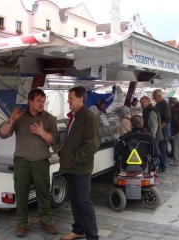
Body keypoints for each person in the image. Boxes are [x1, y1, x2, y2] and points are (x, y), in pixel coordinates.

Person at [0, 89, 59, 238]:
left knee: (44, 193)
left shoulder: (49, 118)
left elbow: (55, 139)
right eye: (38, 100)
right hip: (22, 162)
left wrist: (42, 133)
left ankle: (47, 222)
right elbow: (2, 134)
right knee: (21, 193)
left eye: (43, 101)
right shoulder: (20, 117)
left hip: (41, 162)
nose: (41, 104)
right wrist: (11, 120)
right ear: (30, 101)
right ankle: (21, 224)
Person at [59, 86, 101, 240]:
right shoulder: (74, 116)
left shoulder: (89, 117)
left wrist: (75, 158)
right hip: (70, 166)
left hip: (80, 167)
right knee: (75, 200)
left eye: (71, 98)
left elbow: (93, 144)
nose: (68, 101)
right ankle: (78, 229)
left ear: (80, 99)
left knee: (84, 202)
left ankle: (92, 236)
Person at [153, 89, 171, 173]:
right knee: (158, 147)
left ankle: (162, 166)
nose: (153, 98)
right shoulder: (158, 104)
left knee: (162, 147)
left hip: (162, 130)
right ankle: (158, 164)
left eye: (154, 96)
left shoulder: (165, 105)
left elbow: (167, 119)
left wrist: (160, 127)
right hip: (158, 129)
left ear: (159, 96)